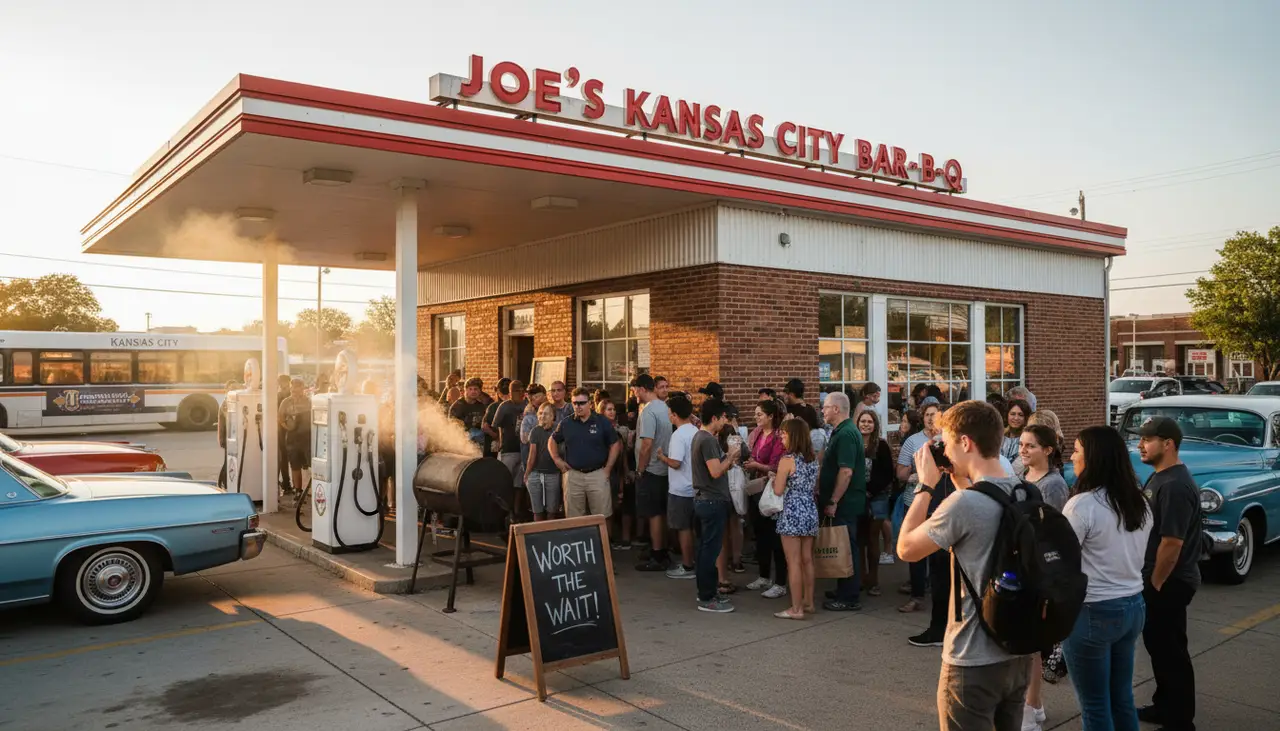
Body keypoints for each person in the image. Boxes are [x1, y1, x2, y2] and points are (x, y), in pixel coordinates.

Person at [897, 400, 1034, 731]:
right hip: (1017, 653)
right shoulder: (1023, 491)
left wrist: (926, 485)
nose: (944, 448)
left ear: (966, 443)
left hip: (972, 659)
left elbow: (906, 549)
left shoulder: (963, 505)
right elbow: (980, 511)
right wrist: (958, 477)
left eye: (947, 440)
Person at [1061, 426, 1152, 731]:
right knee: (1121, 698)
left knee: (1095, 706)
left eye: (1076, 450)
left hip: (1093, 610)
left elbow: (1063, 559)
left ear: (1094, 458)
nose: (1071, 457)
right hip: (1133, 606)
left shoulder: (1083, 505)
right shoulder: (1139, 501)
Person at [1136, 417, 1201, 731]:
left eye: (1147, 439)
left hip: (1170, 582)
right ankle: (1165, 707)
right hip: (1162, 580)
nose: (1140, 445)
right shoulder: (1160, 477)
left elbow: (1172, 542)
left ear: (1168, 444)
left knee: (1170, 652)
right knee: (1161, 648)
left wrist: (1155, 582)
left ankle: (1179, 721)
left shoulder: (1174, 484)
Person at [1017, 423, 1070, 728]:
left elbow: (1054, 532)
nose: (1023, 450)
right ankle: (1035, 705)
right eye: (1022, 445)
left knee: (1034, 646)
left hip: (1041, 570)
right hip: (1023, 567)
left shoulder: (1053, 485)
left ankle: (1031, 707)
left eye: (1031, 446)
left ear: (1048, 450)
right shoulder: (1024, 477)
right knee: (1026, 646)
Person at [547, 387, 621, 534]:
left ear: (590, 404)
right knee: (574, 518)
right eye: (575, 403)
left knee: (602, 516)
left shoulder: (602, 422)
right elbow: (552, 440)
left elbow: (615, 444)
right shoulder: (567, 423)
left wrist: (608, 469)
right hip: (573, 474)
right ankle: (577, 550)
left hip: (597, 473)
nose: (578, 406)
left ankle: (602, 550)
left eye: (581, 403)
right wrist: (556, 459)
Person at [690, 399, 740, 613]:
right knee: (709, 551)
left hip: (705, 499)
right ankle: (707, 596)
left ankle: (706, 591)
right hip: (711, 501)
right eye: (722, 418)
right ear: (714, 418)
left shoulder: (699, 437)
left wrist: (727, 460)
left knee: (705, 549)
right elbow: (715, 471)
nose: (724, 422)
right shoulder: (707, 440)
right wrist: (731, 455)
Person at [818, 392, 866, 612]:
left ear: (836, 409)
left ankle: (849, 596)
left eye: (826, 407)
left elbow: (846, 472)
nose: (823, 410)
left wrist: (834, 500)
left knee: (847, 547)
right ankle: (844, 588)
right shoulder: (841, 431)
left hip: (846, 502)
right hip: (844, 501)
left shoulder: (846, 433)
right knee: (844, 545)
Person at [771, 418, 819, 619]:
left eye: (785, 433)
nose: (781, 436)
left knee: (793, 562)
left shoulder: (787, 460)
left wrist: (774, 479)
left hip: (792, 510)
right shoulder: (813, 459)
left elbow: (779, 490)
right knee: (807, 560)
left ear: (794, 435)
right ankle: (808, 602)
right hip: (809, 508)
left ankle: (796, 608)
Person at [897, 401, 942, 613]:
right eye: (927, 415)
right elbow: (901, 474)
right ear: (922, 418)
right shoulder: (912, 441)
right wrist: (917, 476)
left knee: (938, 552)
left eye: (935, 414)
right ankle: (916, 595)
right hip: (914, 500)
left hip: (942, 502)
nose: (931, 418)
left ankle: (939, 594)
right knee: (916, 550)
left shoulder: (948, 440)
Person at [744, 398, 788, 596]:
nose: (756, 418)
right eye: (756, 414)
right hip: (756, 489)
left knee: (775, 537)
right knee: (760, 534)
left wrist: (756, 466)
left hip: (771, 490)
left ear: (771, 416)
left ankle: (780, 581)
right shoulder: (758, 434)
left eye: (760, 414)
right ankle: (763, 575)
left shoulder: (779, 437)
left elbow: (777, 466)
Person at [631, 374, 674, 571]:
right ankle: (661, 550)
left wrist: (640, 470)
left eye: (634, 390)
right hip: (664, 468)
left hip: (652, 468)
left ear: (641, 389)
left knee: (654, 513)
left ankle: (658, 556)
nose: (633, 394)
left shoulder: (648, 412)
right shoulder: (664, 407)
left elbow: (647, 444)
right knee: (660, 512)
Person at [654, 392, 698, 580]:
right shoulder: (696, 431)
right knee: (693, 528)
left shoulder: (679, 435)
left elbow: (676, 462)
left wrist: (662, 457)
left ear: (674, 414)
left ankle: (688, 565)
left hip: (681, 489)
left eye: (670, 413)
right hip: (695, 487)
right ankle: (693, 561)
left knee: (683, 528)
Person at [858, 409, 895, 594]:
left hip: (877, 497)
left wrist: (871, 491)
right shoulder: (854, 443)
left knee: (873, 539)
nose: (865, 424)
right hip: (857, 496)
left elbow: (888, 473)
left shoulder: (881, 446)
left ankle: (873, 580)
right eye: (862, 421)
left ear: (875, 425)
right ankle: (860, 577)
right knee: (859, 539)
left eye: (869, 421)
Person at [597, 398, 635, 546]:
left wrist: (626, 472)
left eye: (613, 409)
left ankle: (619, 537)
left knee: (620, 504)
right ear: (602, 412)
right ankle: (607, 538)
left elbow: (624, 453)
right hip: (604, 469)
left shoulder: (622, 430)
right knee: (606, 507)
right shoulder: (599, 430)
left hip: (618, 470)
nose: (612, 412)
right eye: (608, 409)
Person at [524, 403, 563, 521]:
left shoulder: (558, 429)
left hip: (553, 473)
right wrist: (527, 473)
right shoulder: (535, 431)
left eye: (546, 414)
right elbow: (532, 455)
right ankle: (538, 536)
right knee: (537, 510)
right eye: (540, 413)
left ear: (552, 416)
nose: (542, 416)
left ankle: (550, 536)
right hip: (536, 473)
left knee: (552, 510)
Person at [277, 378, 312, 498]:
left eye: (298, 389)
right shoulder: (285, 402)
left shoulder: (309, 401)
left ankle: (309, 489)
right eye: (293, 390)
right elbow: (280, 417)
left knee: (309, 463)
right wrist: (287, 426)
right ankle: (298, 490)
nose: (296, 393)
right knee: (295, 464)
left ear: (303, 389)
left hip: (307, 436)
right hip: (292, 436)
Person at [494, 380, 527, 497]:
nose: (520, 393)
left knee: (519, 483)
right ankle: (506, 510)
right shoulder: (504, 406)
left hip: (523, 449)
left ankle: (517, 510)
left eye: (522, 390)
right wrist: (500, 441)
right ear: (510, 392)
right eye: (516, 391)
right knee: (505, 480)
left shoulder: (527, 405)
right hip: (508, 448)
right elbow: (496, 425)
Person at [450, 377, 488, 451]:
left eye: (476, 389)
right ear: (465, 390)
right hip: (462, 444)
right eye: (470, 389)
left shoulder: (481, 406)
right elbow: (452, 426)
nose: (473, 392)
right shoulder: (458, 405)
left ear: (480, 391)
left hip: (479, 446)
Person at [216, 379, 241, 489]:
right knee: (229, 461)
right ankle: (223, 482)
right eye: (232, 388)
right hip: (229, 436)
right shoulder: (226, 403)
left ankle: (224, 482)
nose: (234, 390)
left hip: (234, 436)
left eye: (236, 388)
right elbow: (226, 421)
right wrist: (221, 438)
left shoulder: (235, 401)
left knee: (231, 460)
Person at [481, 378, 510, 458]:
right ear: (498, 391)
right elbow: (484, 426)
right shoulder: (493, 407)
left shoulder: (517, 405)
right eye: (503, 393)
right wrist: (496, 437)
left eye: (507, 393)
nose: (505, 396)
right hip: (493, 448)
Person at [276, 373, 293, 494]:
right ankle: (286, 483)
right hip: (281, 429)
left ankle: (287, 483)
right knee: (283, 457)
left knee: (287, 457)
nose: (284, 385)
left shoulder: (291, 396)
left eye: (286, 383)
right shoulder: (278, 396)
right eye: (282, 383)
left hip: (291, 429)